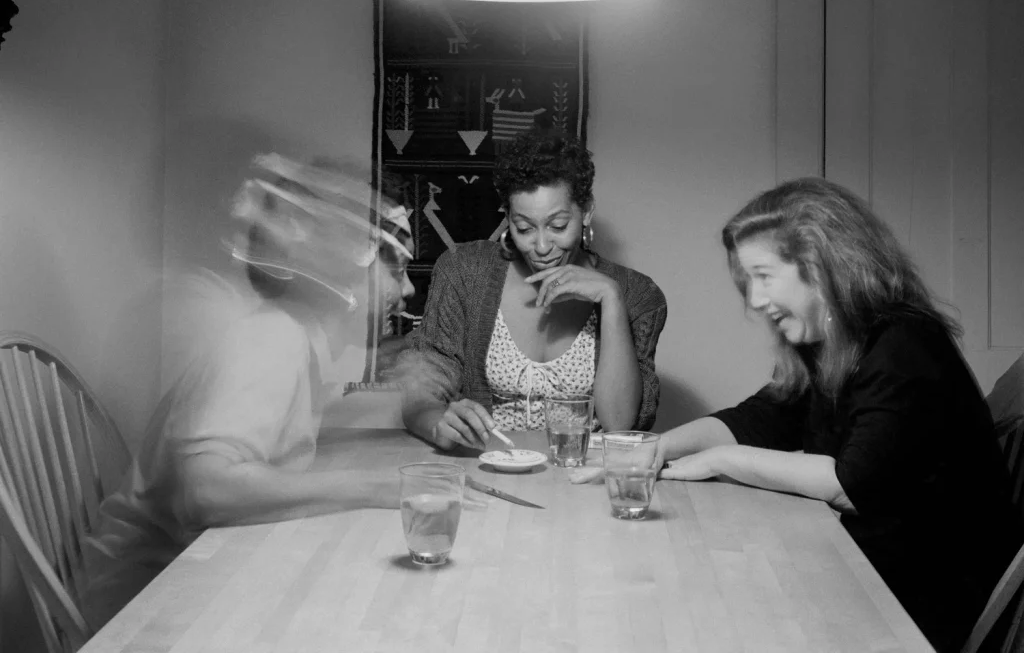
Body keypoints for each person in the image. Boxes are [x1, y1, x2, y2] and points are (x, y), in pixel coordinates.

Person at [653, 177, 1020, 653]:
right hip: (869, 567)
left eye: (763, 276)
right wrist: (656, 448)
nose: (755, 301)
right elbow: (757, 418)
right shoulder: (833, 342)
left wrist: (722, 460)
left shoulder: (905, 345)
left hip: (925, 599)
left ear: (819, 265)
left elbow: (850, 484)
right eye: (748, 282)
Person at [84, 154, 416, 626]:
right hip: (144, 602)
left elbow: (306, 416)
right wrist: (375, 487)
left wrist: (418, 405)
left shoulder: (295, 336)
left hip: (196, 570)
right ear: (348, 267)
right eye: (396, 269)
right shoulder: (271, 339)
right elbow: (206, 488)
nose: (406, 293)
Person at [401, 130, 668, 450]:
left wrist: (611, 300)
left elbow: (619, 423)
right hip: (489, 469)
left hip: (583, 478)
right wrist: (438, 424)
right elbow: (420, 397)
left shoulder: (637, 294)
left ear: (587, 211)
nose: (541, 246)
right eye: (524, 228)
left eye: (558, 226)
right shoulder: (464, 272)